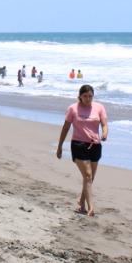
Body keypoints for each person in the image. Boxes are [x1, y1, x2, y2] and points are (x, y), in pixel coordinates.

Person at [55, 84, 108, 216]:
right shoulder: (73, 109)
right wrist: (60, 146)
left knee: (89, 178)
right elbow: (66, 127)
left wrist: (105, 133)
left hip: (95, 145)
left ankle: (81, 202)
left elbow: (104, 123)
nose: (88, 99)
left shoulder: (99, 107)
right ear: (80, 96)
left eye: (90, 96)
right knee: (88, 175)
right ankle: (91, 207)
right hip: (78, 145)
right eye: (85, 96)